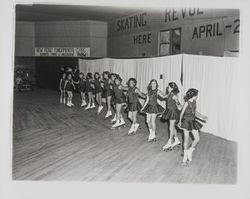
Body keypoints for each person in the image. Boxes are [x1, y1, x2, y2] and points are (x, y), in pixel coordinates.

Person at [178, 88, 208, 166]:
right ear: (193, 95)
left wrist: (202, 116)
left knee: (197, 139)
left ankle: (190, 151)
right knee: (186, 140)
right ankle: (184, 158)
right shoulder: (187, 103)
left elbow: (195, 112)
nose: (197, 96)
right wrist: (180, 121)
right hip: (186, 122)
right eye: (196, 95)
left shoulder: (194, 102)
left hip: (192, 122)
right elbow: (182, 113)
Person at [161, 82, 182, 151]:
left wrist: (179, 106)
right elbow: (164, 96)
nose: (167, 88)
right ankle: (176, 139)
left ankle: (170, 141)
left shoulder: (174, 95)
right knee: (172, 127)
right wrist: (158, 92)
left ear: (172, 88)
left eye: (169, 87)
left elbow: (178, 104)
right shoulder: (169, 94)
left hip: (173, 112)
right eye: (168, 87)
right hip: (169, 111)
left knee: (171, 127)